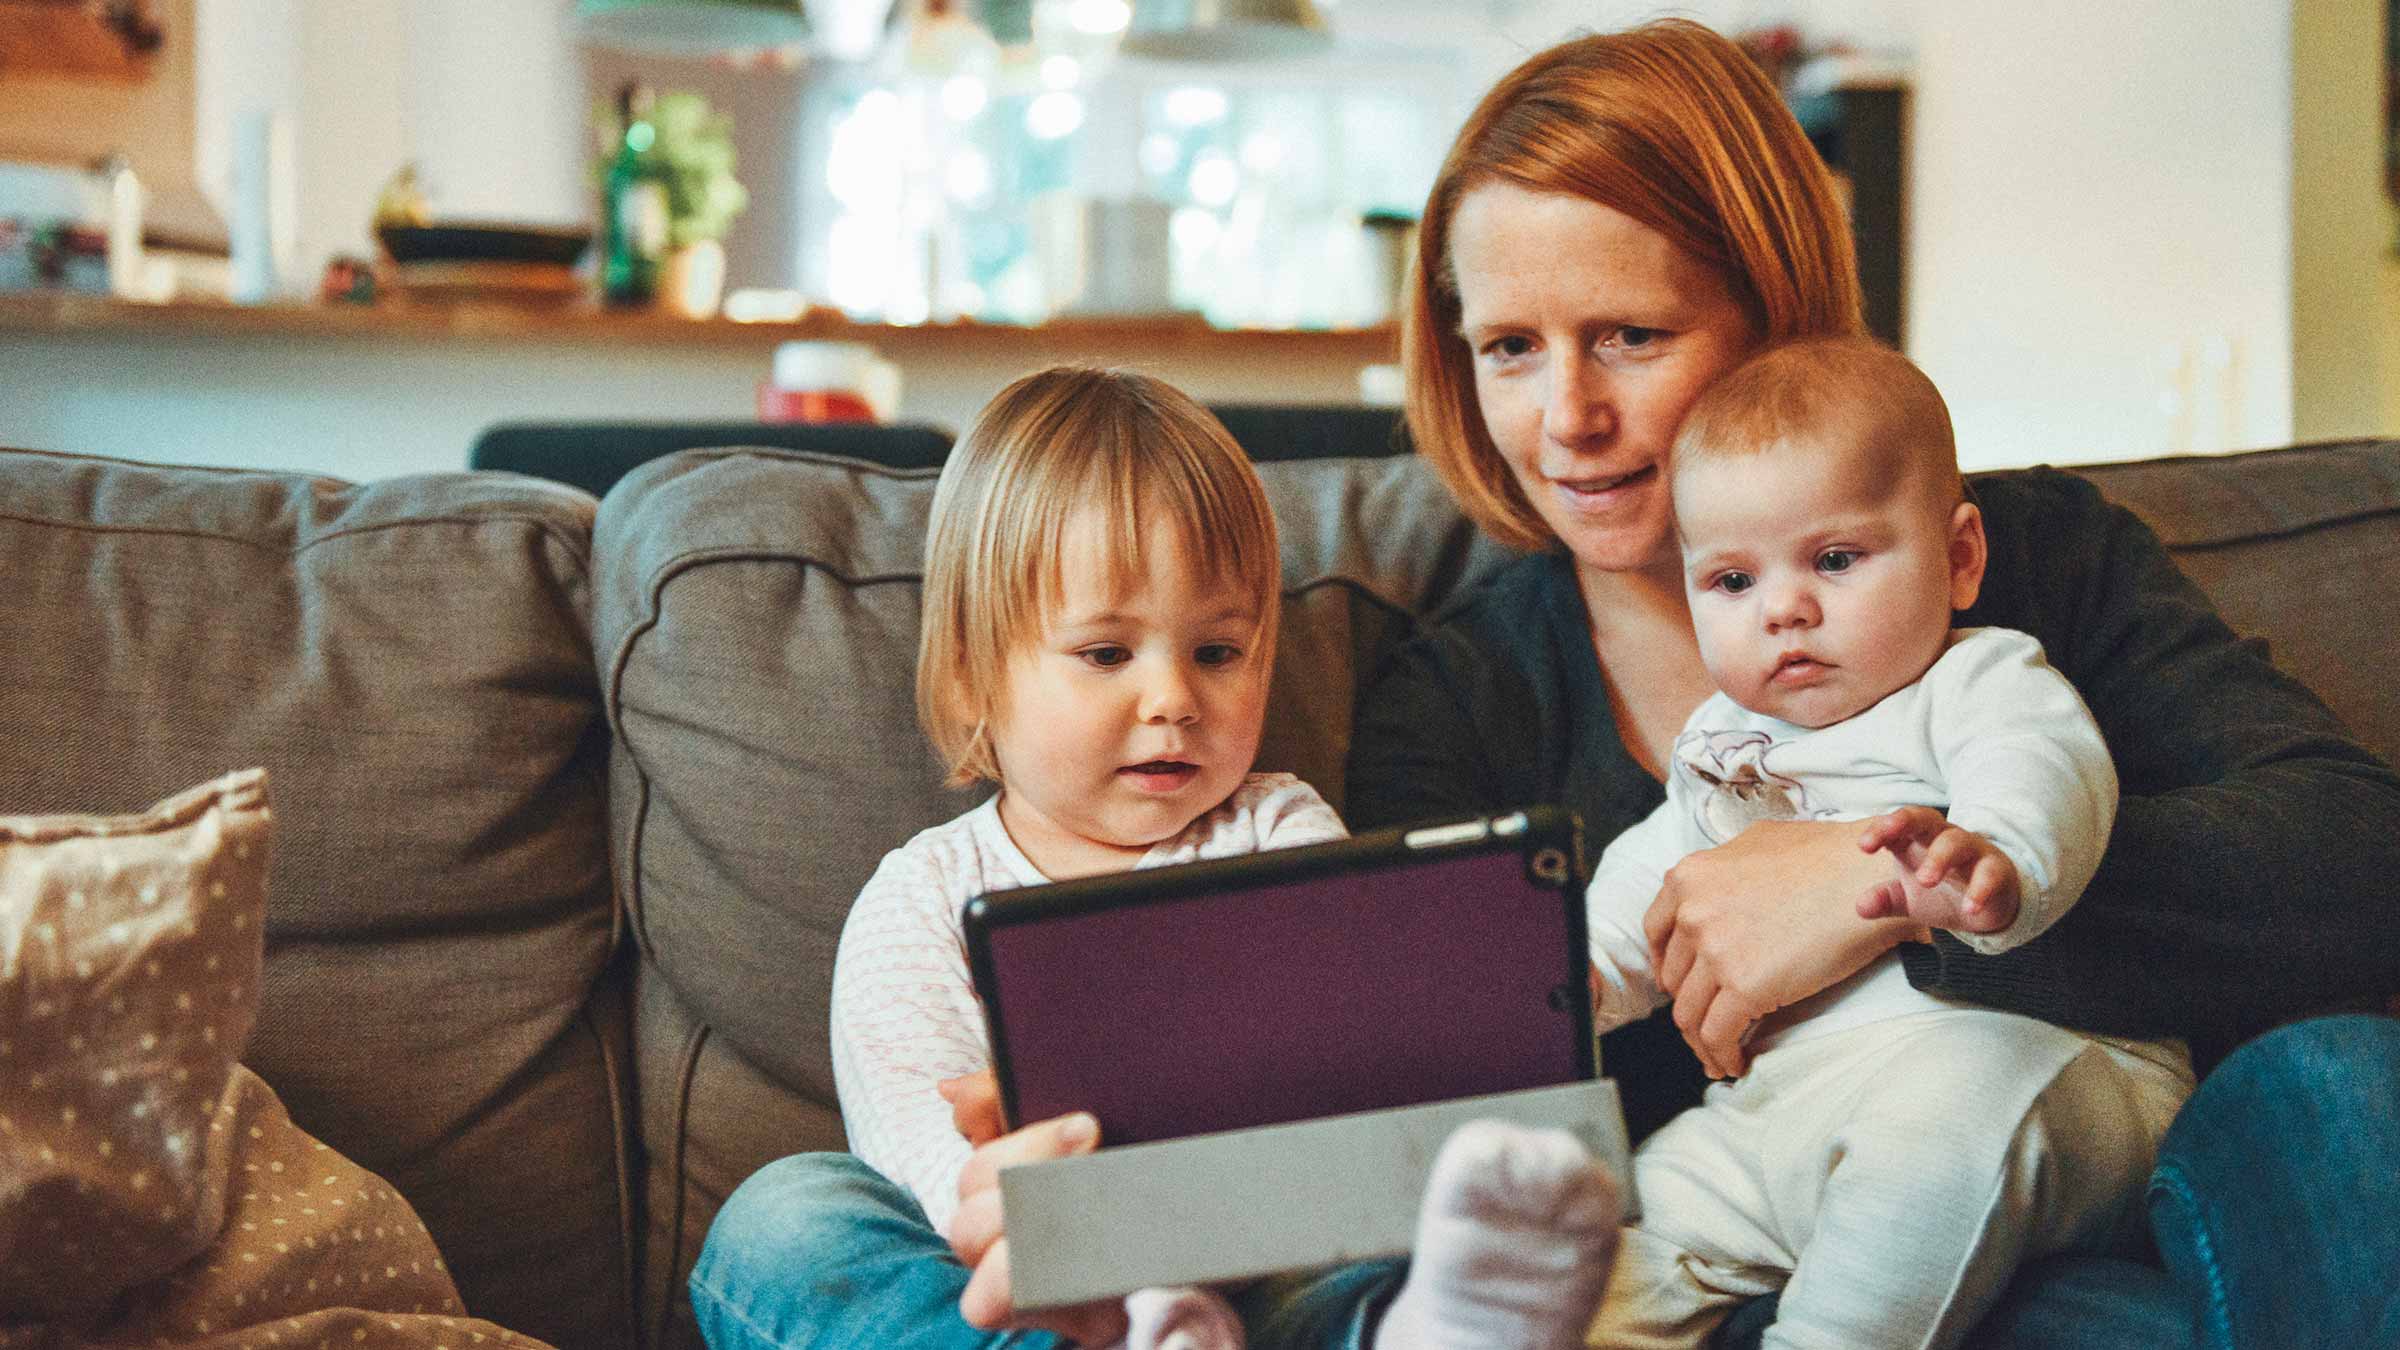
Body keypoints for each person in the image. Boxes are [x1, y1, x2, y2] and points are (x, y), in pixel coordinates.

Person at [1327, 17, 2400, 1350]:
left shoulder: (2027, 560)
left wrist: (1879, 887)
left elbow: (2360, 860)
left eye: (1629, 334)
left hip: (2096, 1175)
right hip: (1748, 1254)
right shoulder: (1459, 693)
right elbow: (1446, 1081)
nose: (1567, 417)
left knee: (2350, 1079)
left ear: (1772, 314)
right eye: (1509, 348)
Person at [687, 365, 1627, 1350]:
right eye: (1106, 654)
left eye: (1216, 653)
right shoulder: (918, 899)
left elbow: (1346, 1085)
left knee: (1405, 1225)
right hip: (1030, 1288)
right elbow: (929, 1172)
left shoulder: (1281, 833)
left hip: (1265, 1263)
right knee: (786, 1217)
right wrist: (1073, 1232)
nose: (1173, 698)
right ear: (971, 677)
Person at [1570, 334, 2191, 1349]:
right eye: (1731, 582)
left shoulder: (1977, 679)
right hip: (1782, 1114)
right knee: (1600, 1254)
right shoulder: (1723, 744)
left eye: (1835, 560)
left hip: (2027, 1072)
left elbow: (2044, 767)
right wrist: (1580, 979)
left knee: (1933, 1141)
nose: (1785, 609)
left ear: (1959, 558)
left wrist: (1994, 859)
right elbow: (1661, 873)